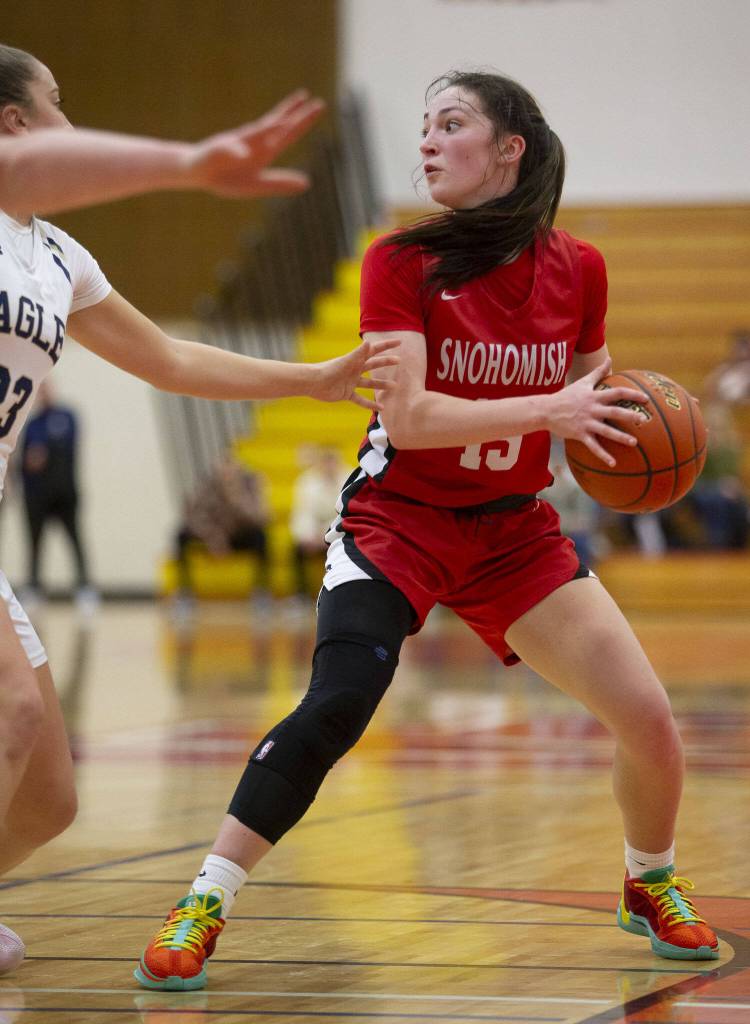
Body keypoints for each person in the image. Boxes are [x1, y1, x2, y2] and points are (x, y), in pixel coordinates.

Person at [135, 69, 719, 992]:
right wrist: (554, 408)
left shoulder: (581, 268)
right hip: (398, 518)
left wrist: (638, 438)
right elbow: (407, 420)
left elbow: (593, 406)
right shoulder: (399, 260)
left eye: (452, 125)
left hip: (514, 532)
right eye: (424, 127)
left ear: (508, 149)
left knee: (647, 718)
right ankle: (206, 896)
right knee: (340, 700)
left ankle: (649, 881)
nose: (428, 142)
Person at [0, 42, 399, 975]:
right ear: (14, 121)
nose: (71, 117)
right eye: (59, 101)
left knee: (49, 799)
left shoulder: (58, 255)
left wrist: (318, 378)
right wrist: (189, 164)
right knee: (12, 713)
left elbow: (171, 361)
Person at [19, 380, 97, 610]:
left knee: (75, 540)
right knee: (34, 543)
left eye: (45, 388)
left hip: (65, 493)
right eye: (39, 390)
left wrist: (45, 452)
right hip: (37, 496)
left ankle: (85, 589)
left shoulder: (67, 416)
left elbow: (68, 445)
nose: (43, 393)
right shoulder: (31, 424)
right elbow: (23, 459)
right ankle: (34, 588)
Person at [174, 454, 271, 606]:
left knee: (261, 537)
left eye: (231, 469)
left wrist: (237, 498)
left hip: (239, 535)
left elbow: (261, 518)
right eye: (223, 469)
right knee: (181, 535)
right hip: (212, 536)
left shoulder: (251, 484)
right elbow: (193, 516)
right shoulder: (206, 486)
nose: (227, 473)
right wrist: (213, 536)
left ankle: (261, 592)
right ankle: (184, 592)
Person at [288, 445, 346, 603]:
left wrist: (326, 535)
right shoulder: (307, 482)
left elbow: (346, 515)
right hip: (313, 537)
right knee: (296, 550)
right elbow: (302, 513)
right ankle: (301, 595)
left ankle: (340, 595)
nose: (329, 467)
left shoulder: (349, 479)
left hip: (339, 536)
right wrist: (308, 536)